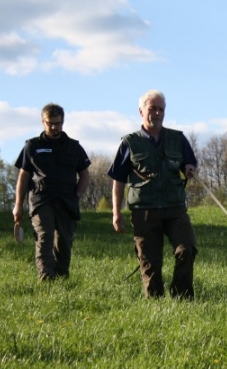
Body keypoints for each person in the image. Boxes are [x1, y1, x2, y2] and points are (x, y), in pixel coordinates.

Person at [108, 89, 198, 299]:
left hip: (175, 208)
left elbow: (190, 161)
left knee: (187, 249)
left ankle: (182, 298)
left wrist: (190, 168)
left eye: (161, 109)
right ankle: (155, 302)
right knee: (150, 262)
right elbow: (118, 180)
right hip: (144, 210)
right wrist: (116, 212)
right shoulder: (129, 143)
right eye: (152, 109)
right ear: (141, 111)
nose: (157, 113)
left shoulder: (177, 139)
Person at [13, 103, 91, 281]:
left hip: (67, 200)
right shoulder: (32, 146)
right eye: (50, 123)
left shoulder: (74, 147)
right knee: (45, 236)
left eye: (58, 123)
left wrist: (77, 195)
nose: (55, 127)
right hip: (41, 199)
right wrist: (18, 205)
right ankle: (47, 278)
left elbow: (85, 174)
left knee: (64, 240)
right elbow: (23, 177)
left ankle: (62, 278)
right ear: (43, 122)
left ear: (63, 122)